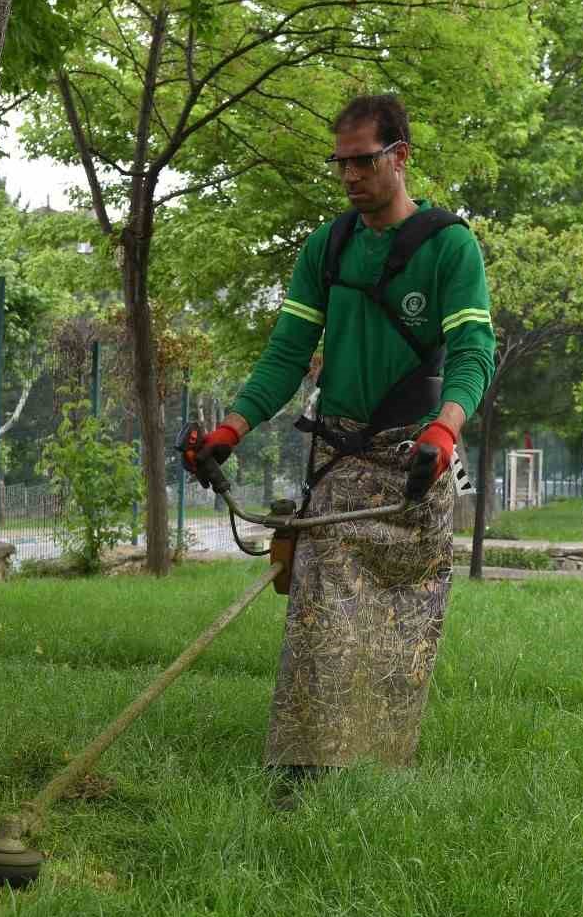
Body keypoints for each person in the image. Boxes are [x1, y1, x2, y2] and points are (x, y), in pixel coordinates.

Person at [185, 94, 494, 783]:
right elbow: (287, 354)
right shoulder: (327, 248)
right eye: (342, 163)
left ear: (400, 156)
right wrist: (233, 427)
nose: (351, 176)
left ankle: (377, 770)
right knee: (321, 621)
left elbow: (473, 349)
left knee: (403, 626)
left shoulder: (450, 246)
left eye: (363, 161)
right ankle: (301, 775)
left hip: (416, 460)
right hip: (340, 461)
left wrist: (446, 428)